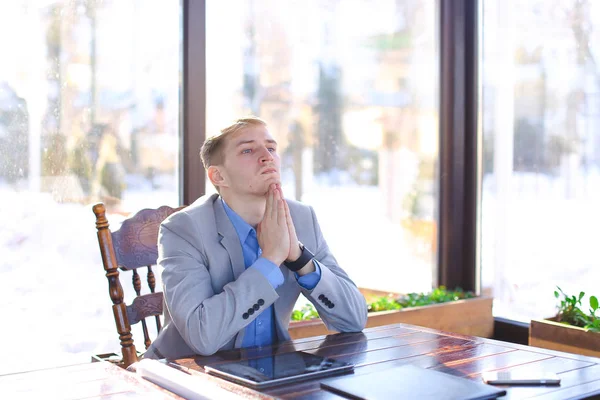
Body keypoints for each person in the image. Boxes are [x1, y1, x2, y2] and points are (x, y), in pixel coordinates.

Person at [144, 116, 367, 360]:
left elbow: (355, 319)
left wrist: (300, 258)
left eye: (271, 148)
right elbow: (202, 337)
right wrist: (270, 260)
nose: (267, 156)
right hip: (186, 374)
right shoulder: (182, 229)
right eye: (248, 150)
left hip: (270, 372)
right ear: (218, 177)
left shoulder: (301, 218)